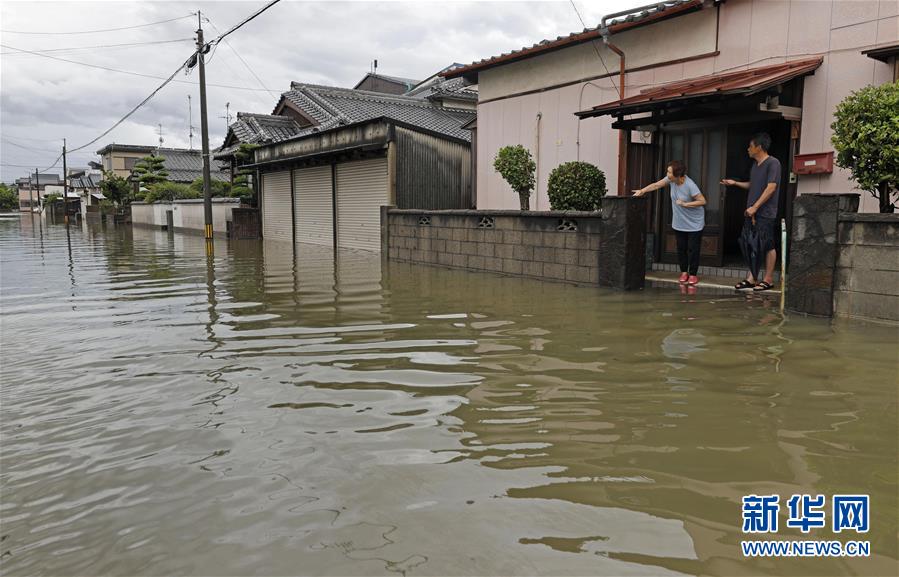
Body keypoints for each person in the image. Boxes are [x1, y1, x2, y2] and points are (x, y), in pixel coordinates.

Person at [721, 132, 781, 291]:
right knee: (751, 244)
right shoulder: (755, 166)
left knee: (767, 244)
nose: (748, 149)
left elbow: (771, 188)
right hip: (751, 212)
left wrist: (756, 206)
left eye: (750, 146)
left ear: (759, 147)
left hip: (765, 212)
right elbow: (752, 186)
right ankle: (752, 278)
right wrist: (735, 183)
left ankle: (768, 279)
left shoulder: (773, 163)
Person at [633, 160, 707, 285]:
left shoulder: (690, 185)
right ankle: (684, 272)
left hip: (694, 223)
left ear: (677, 174)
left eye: (669, 172)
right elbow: (656, 185)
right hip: (679, 222)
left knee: (693, 249)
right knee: (681, 248)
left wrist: (685, 204)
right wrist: (642, 190)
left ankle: (693, 274)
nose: (667, 174)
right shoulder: (671, 180)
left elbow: (702, 201)